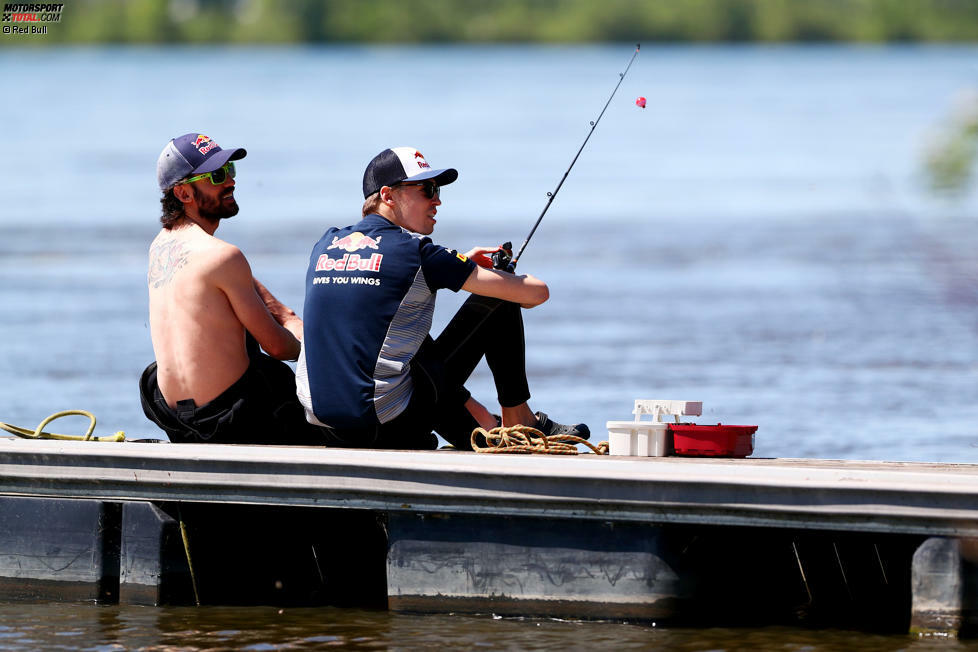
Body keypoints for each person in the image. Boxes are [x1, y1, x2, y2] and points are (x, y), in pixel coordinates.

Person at [296, 146, 588, 450]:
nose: (437, 200)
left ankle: (482, 427)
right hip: (383, 425)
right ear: (387, 196)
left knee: (384, 323)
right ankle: (519, 419)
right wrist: (503, 280)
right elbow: (538, 293)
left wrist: (459, 263)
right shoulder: (419, 253)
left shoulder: (326, 244)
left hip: (324, 423)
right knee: (497, 300)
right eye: (427, 189)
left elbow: (378, 281)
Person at [139, 132, 328, 446]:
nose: (230, 181)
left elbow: (225, 288)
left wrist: (284, 314)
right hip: (229, 420)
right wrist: (318, 351)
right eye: (217, 175)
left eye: (231, 171)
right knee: (279, 377)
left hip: (174, 419)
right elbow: (279, 348)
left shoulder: (159, 248)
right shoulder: (224, 255)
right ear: (184, 193)